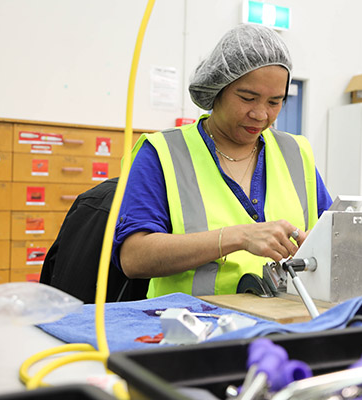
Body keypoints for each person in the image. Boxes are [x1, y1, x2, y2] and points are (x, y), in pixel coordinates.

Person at [113, 24, 332, 298]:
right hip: (191, 329)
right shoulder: (163, 152)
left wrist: (320, 245)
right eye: (247, 98)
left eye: (275, 102)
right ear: (217, 89)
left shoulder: (296, 153)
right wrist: (238, 237)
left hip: (285, 323)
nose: (261, 114)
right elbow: (134, 258)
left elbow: (333, 238)